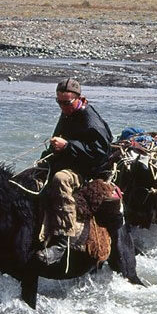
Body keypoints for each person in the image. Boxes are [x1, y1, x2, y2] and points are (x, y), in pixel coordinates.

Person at [36, 78, 114, 265]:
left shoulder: (90, 120)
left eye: (66, 102)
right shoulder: (69, 112)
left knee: (60, 179)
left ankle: (62, 242)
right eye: (59, 102)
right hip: (71, 161)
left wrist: (68, 146)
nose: (62, 107)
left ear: (81, 99)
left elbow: (102, 153)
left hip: (89, 169)